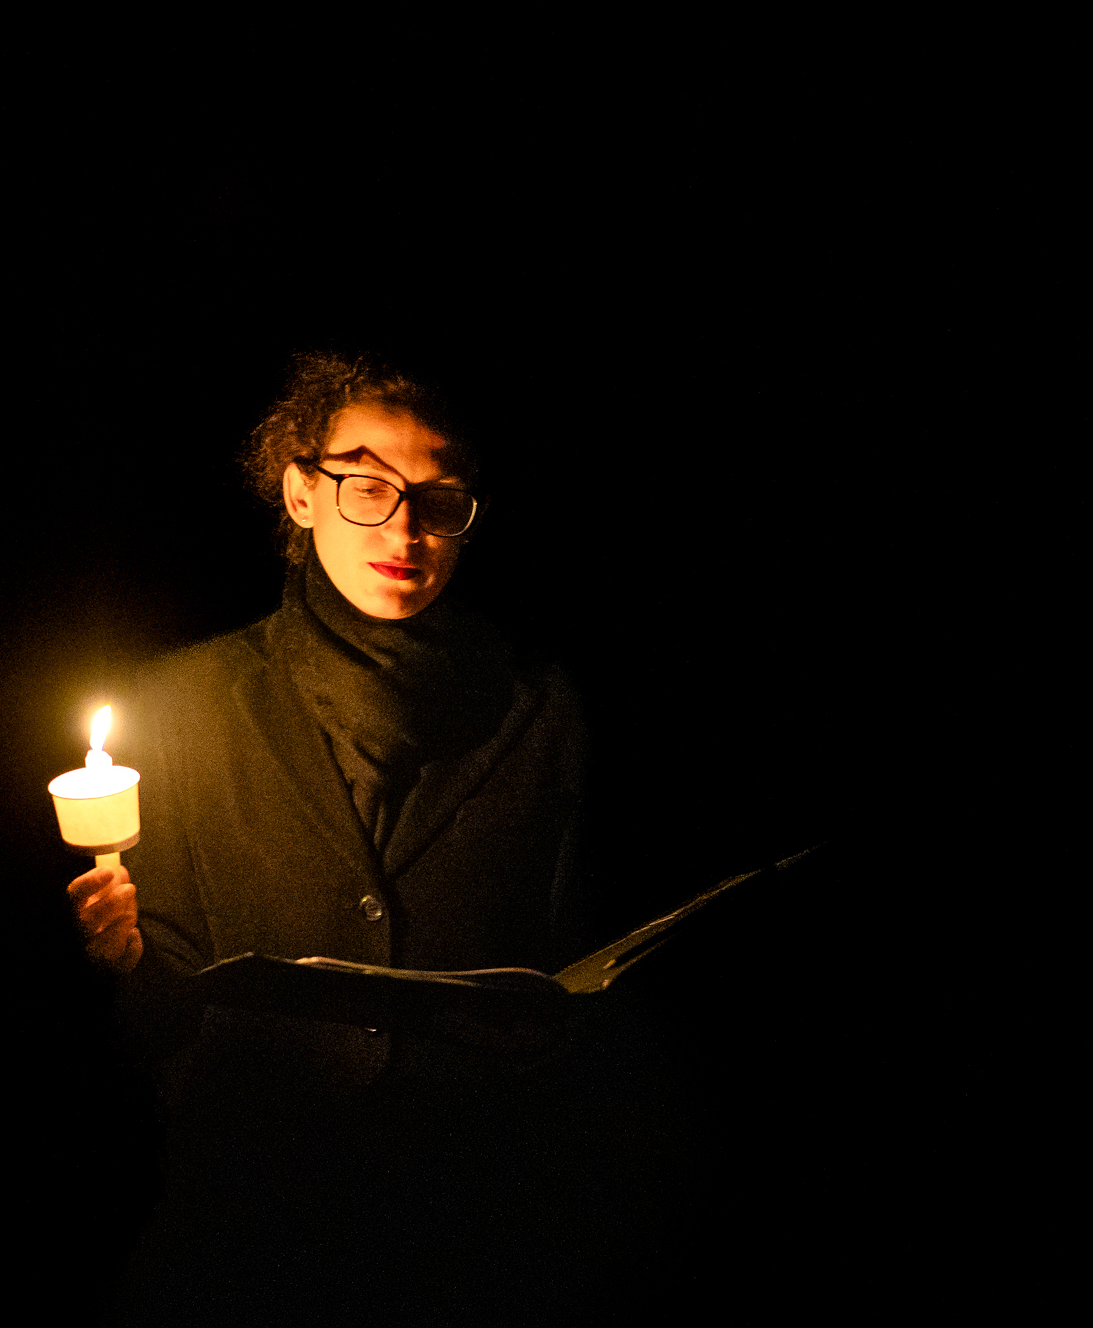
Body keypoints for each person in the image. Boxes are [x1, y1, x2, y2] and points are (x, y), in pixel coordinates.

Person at [73, 352, 689, 1325]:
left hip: (478, 1234)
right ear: (300, 492)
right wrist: (125, 958)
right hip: (252, 1233)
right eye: (367, 486)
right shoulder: (184, 707)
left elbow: (581, 986)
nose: (404, 529)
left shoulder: (539, 708)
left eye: (438, 499)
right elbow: (156, 1026)